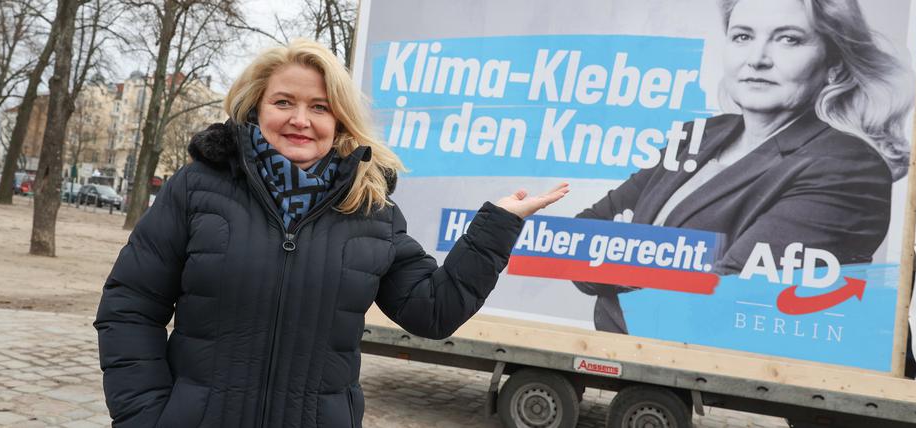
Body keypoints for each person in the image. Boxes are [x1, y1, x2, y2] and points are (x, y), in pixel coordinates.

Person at [93, 39, 569, 427]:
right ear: (256, 107)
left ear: (338, 120)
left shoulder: (369, 209)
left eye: (319, 107)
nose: (300, 119)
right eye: (284, 102)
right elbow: (129, 307)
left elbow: (433, 312)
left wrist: (496, 227)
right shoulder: (199, 186)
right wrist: (146, 416)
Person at [574, 0, 914, 333]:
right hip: (629, 354)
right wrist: (665, 264)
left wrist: (623, 247)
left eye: (788, 39)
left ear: (834, 65)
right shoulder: (701, 134)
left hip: (722, 373)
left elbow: (723, 303)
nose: (757, 59)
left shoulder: (848, 168)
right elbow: (578, 236)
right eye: (742, 36)